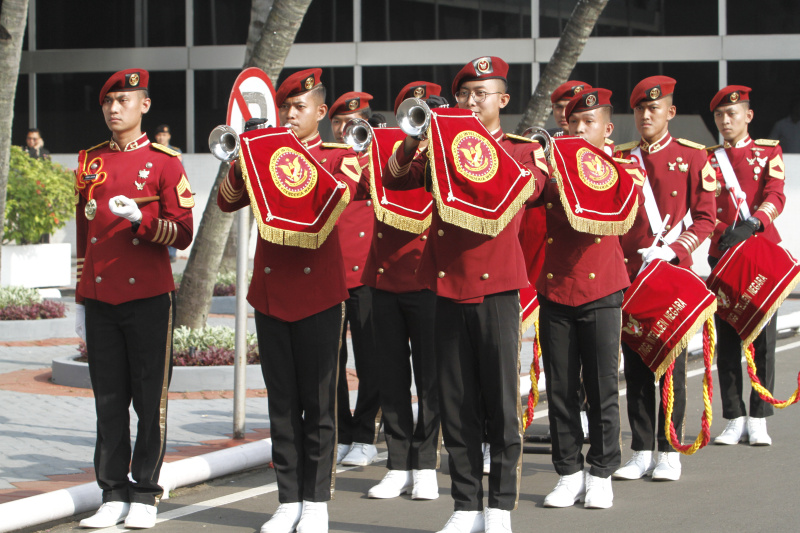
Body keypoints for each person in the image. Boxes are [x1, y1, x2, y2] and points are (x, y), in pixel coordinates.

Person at [385, 56, 549, 533]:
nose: (472, 102)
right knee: (454, 403)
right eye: (464, 95)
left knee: (499, 402)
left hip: (497, 286)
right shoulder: (437, 146)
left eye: (482, 93)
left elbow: (537, 188)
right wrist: (418, 133)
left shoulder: (519, 151)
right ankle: (465, 504)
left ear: (504, 99)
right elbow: (396, 179)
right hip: (446, 283)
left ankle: (498, 507)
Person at [217, 68, 362, 533]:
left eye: (300, 108)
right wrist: (245, 157)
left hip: (318, 291)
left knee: (319, 403)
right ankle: (288, 499)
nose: (290, 115)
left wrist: (286, 156)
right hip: (272, 290)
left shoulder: (338, 155)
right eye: (285, 108)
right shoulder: (262, 154)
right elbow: (226, 201)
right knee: (281, 403)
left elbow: (347, 191)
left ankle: (317, 500)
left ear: (321, 112)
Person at [74, 68, 195, 529]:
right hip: (101, 298)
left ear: (144, 105)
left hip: (148, 297)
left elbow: (182, 233)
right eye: (108, 102)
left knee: (149, 401)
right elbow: (86, 236)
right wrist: (82, 301)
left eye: (123, 100)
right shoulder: (90, 161)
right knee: (108, 401)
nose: (113, 108)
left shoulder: (165, 162)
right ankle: (112, 491)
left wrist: (140, 223)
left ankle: (144, 492)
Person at [613, 76, 716, 482]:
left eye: (653, 108)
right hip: (631, 278)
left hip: (671, 272)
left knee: (670, 365)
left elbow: (707, 216)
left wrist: (675, 250)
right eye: (639, 109)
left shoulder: (692, 157)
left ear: (670, 112)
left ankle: (669, 448)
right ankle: (641, 449)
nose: (645, 116)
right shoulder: (621, 159)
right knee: (636, 364)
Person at [538, 88, 634, 510]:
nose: (578, 129)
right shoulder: (549, 162)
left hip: (601, 288)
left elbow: (616, 199)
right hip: (557, 286)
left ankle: (601, 471)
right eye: (573, 121)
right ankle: (567, 472)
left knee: (601, 386)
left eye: (588, 122)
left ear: (606, 128)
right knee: (559, 388)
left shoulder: (621, 164)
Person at [363, 81, 443, 501]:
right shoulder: (388, 150)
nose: (423, 117)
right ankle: (397, 463)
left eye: (427, 109)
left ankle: (426, 463)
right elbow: (370, 185)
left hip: (429, 277)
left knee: (431, 379)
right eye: (415, 111)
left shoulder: (451, 149)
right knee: (391, 377)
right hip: (386, 278)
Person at [706, 85, 786, 446]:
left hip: (758, 253)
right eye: (720, 115)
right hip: (724, 255)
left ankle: (759, 416)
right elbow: (702, 205)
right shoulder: (706, 158)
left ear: (748, 116)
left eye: (732, 114)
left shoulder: (768, 151)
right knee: (727, 339)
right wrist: (725, 232)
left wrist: (753, 223)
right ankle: (733, 416)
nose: (726, 120)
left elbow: (776, 193)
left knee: (764, 341)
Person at [327, 91, 382, 467]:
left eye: (353, 121)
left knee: (369, 360)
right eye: (339, 122)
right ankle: (341, 431)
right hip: (329, 273)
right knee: (329, 361)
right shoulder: (324, 160)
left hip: (367, 272)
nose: (345, 128)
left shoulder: (379, 159)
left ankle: (365, 434)